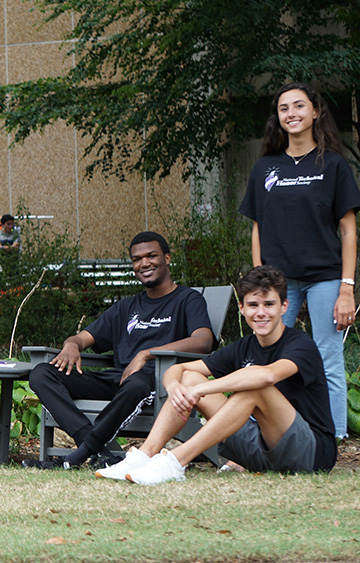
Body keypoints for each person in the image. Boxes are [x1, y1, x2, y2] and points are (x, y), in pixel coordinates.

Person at [98, 266, 337, 484]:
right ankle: (143, 456)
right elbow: (179, 369)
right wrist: (173, 386)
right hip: (261, 451)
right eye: (253, 305)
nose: (261, 313)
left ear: (284, 306)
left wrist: (202, 389)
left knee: (253, 386)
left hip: (310, 453)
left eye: (269, 304)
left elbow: (267, 376)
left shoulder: (300, 344)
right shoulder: (244, 346)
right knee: (189, 378)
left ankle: (175, 462)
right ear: (242, 309)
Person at [24, 231, 214, 469]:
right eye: (137, 259)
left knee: (136, 383)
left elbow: (203, 340)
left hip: (156, 382)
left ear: (167, 258)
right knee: (42, 373)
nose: (144, 263)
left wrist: (146, 354)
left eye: (151, 256)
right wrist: (71, 344)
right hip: (118, 382)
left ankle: (76, 457)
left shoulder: (188, 299)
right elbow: (83, 337)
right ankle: (97, 450)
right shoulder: (126, 307)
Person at [239, 82, 360, 440]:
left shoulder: (334, 166)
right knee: (266, 358)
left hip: (325, 277)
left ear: (315, 112)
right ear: (278, 118)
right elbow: (258, 227)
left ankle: (332, 436)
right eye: (283, 109)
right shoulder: (265, 168)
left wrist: (347, 288)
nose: (291, 114)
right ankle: (258, 434)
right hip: (277, 281)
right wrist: (260, 281)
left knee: (326, 358)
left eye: (299, 106)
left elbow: (349, 232)